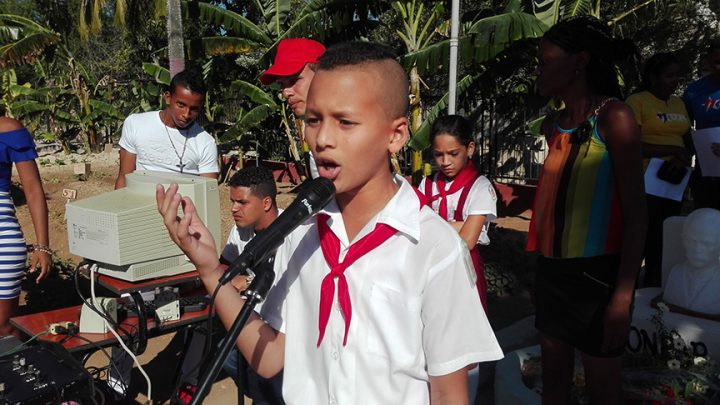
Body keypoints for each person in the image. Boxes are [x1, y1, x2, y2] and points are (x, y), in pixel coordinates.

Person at [158, 41, 503, 404]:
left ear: (396, 135)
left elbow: (450, 394)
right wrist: (211, 269)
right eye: (313, 120)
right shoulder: (301, 232)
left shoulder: (434, 250)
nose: (322, 139)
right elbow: (271, 357)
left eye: (345, 122)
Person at [527, 17, 647, 404]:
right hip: (552, 270)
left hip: (597, 276)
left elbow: (636, 213)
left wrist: (621, 298)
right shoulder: (555, 125)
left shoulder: (615, 117)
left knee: (602, 391)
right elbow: (568, 195)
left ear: (578, 62)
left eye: (545, 61)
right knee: (555, 383)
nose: (538, 70)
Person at [219, 166, 284, 405]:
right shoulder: (240, 232)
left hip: (280, 324)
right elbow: (224, 267)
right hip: (250, 318)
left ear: (266, 203)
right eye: (232, 201)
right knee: (226, 356)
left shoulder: (295, 229)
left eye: (242, 202)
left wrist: (246, 281)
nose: (234, 209)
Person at [626, 53, 691, 287]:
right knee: (643, 235)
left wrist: (682, 157)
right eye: (669, 76)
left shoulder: (678, 103)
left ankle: (654, 283)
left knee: (665, 236)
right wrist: (671, 150)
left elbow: (686, 139)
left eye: (678, 76)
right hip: (645, 180)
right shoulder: (637, 101)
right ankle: (627, 288)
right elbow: (630, 144)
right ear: (653, 78)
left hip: (673, 181)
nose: (675, 81)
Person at [418, 115, 496, 309]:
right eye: (438, 154)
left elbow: (468, 240)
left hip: (464, 271)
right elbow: (412, 226)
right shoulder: (427, 184)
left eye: (453, 153)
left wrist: (429, 224)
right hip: (429, 269)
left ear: (470, 149)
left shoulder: (480, 187)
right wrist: (460, 225)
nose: (445, 162)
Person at [114, 67, 218, 189]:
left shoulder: (205, 143)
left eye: (194, 109)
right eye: (181, 105)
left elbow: (208, 192)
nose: (186, 114)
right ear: (168, 97)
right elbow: (124, 178)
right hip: (139, 204)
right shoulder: (136, 124)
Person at [0, 117, 51, 337]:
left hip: (3, 241)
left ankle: (21, 369)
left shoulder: (8, 129)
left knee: (4, 327)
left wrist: (43, 246)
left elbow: (32, 188)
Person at [259, 38, 325, 179]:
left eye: (294, 80)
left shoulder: (361, 128)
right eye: (282, 84)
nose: (285, 92)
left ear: (324, 75)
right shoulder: (313, 131)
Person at [683, 41, 720, 211]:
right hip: (708, 172)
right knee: (706, 226)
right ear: (709, 62)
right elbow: (682, 129)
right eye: (718, 62)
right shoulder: (694, 91)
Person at [663, 208, 720, 315]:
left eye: (707, 244)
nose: (697, 249)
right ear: (683, 239)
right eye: (692, 241)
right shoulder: (675, 273)